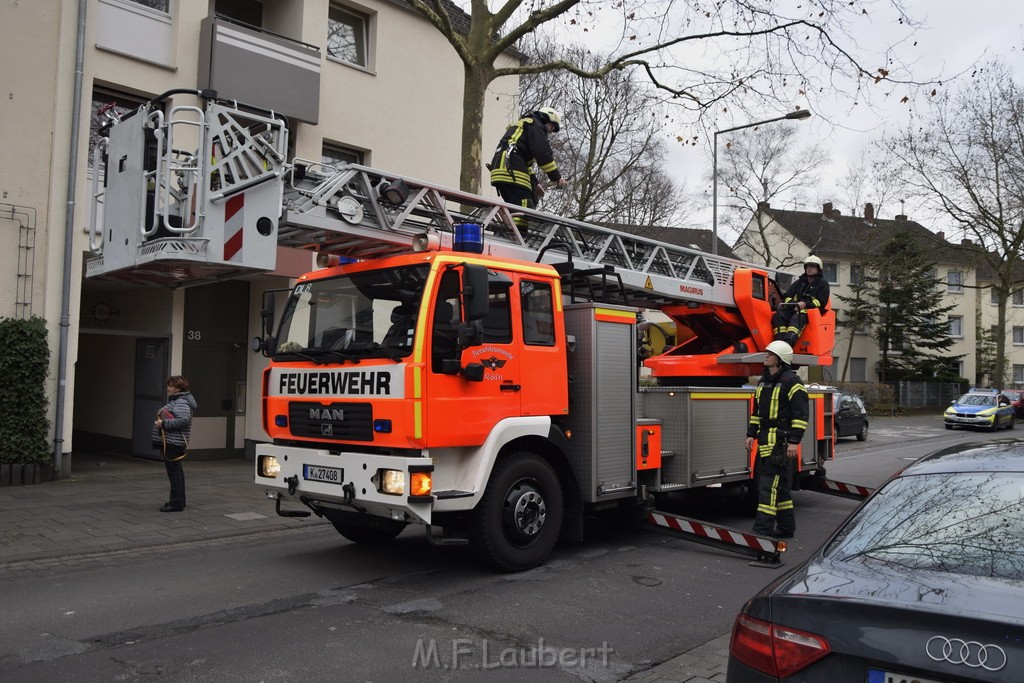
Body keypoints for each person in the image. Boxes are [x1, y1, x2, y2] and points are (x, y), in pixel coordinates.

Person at [745, 340, 808, 539]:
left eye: (770, 354)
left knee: (767, 487)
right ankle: (786, 527)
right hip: (765, 442)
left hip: (780, 443)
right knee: (780, 487)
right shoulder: (763, 382)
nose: (766, 356)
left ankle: (761, 530)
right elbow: (757, 413)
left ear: (780, 360)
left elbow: (800, 415)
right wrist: (750, 434)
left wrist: (794, 442)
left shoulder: (793, 382)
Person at [488, 106, 567, 230]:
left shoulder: (524, 126)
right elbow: (543, 154)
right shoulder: (536, 125)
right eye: (552, 126)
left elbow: (526, 163)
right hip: (511, 168)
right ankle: (519, 237)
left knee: (516, 206)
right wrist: (557, 177)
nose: (551, 131)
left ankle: (506, 233)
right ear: (546, 118)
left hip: (502, 168)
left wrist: (535, 183)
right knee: (524, 204)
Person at [152, 375, 196, 512]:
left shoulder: (181, 402)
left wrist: (163, 423)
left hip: (173, 443)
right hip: (171, 442)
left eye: (171, 386)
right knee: (176, 472)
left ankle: (176, 503)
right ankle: (176, 501)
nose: (168, 388)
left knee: (174, 473)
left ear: (178, 388)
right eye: (168, 385)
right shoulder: (180, 400)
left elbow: (184, 421)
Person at [771, 255, 831, 347]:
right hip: (794, 309)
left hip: (809, 312)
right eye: (807, 266)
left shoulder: (823, 284)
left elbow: (821, 303)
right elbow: (786, 296)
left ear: (818, 269)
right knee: (778, 315)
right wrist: (792, 304)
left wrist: (805, 304)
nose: (809, 268)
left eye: (812, 266)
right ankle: (779, 343)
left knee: (796, 318)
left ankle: (787, 345)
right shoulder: (799, 282)